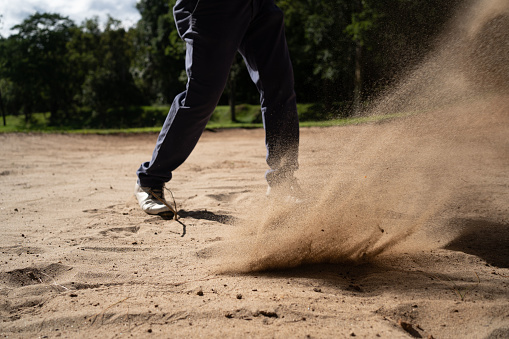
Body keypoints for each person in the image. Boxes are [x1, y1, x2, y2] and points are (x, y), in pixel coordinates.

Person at [135, 0, 301, 215]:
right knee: (203, 94)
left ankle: (282, 181)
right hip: (213, 6)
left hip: (260, 5)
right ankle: (150, 181)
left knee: (280, 89)